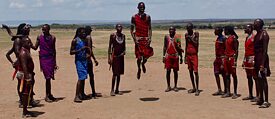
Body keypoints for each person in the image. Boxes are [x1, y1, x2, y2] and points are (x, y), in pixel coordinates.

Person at [3, 24, 39, 107]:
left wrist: (38, 40)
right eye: (26, 28)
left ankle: (30, 100)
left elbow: (34, 47)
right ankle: (22, 101)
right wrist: (14, 62)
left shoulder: (26, 39)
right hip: (22, 65)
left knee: (31, 82)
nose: (28, 30)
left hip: (27, 64)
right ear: (22, 30)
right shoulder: (18, 40)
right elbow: (17, 53)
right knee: (22, 83)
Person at [32, 24, 58, 102]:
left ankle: (49, 94)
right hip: (43, 59)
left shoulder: (53, 38)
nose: (43, 31)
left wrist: (55, 62)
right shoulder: (39, 37)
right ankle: (47, 95)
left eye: (45, 29)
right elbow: (35, 47)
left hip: (51, 59)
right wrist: (29, 44)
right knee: (47, 78)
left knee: (49, 78)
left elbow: (54, 50)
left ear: (48, 29)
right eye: (42, 29)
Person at [130, 2, 153, 80]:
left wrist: (150, 38)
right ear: (138, 8)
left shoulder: (148, 17)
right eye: (141, 7)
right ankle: (139, 69)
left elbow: (150, 28)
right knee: (139, 57)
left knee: (146, 56)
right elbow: (131, 30)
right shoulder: (134, 17)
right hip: (138, 40)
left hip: (146, 40)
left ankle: (143, 64)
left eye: (143, 7)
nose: (142, 9)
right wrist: (134, 39)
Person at [18, 26, 36, 117]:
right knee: (25, 93)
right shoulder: (23, 53)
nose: (29, 43)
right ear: (23, 43)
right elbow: (24, 66)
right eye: (28, 42)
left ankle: (26, 110)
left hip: (28, 74)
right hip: (26, 75)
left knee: (27, 93)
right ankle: (24, 112)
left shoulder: (26, 50)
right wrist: (28, 77)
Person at [70, 27, 91, 103]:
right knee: (80, 77)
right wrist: (80, 50)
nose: (84, 33)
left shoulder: (84, 40)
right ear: (78, 33)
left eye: (85, 32)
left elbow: (88, 49)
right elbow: (71, 52)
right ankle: (76, 96)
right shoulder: (75, 41)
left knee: (84, 77)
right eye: (82, 32)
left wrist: (88, 55)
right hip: (79, 61)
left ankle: (82, 94)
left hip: (84, 60)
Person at [253, 19, 271, 108]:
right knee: (258, 79)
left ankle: (266, 101)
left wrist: (262, 64)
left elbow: (265, 51)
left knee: (263, 79)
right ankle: (261, 98)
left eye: (255, 23)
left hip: (262, 60)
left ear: (260, 25)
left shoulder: (264, 35)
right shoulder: (257, 35)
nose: (253, 25)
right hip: (257, 59)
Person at [163, 27, 183, 92]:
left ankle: (175, 86)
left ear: (175, 30)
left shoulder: (177, 37)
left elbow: (180, 48)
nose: (171, 30)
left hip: (175, 56)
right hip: (168, 56)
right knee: (168, 71)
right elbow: (165, 47)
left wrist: (181, 57)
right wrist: (163, 56)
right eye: (170, 29)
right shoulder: (166, 37)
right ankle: (168, 86)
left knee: (175, 71)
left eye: (172, 29)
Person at [222, 26, 239, 99]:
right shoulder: (226, 38)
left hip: (232, 58)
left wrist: (235, 61)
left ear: (228, 30)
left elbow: (236, 50)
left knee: (234, 75)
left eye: (224, 30)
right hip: (226, 58)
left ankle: (235, 92)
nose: (224, 31)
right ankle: (228, 92)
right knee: (227, 75)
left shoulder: (233, 38)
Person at [108, 24, 126, 96]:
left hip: (121, 57)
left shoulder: (123, 36)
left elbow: (124, 46)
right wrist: (109, 58)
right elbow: (110, 47)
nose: (120, 28)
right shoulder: (113, 36)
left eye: (121, 27)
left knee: (119, 74)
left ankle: (117, 89)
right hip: (114, 56)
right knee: (115, 73)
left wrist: (124, 52)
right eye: (118, 27)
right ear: (115, 28)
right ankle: (112, 90)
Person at [242, 24, 258, 101]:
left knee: (255, 77)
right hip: (247, 59)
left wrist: (256, 60)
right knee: (249, 77)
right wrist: (244, 60)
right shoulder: (247, 38)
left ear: (251, 29)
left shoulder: (254, 37)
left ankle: (258, 95)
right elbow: (246, 50)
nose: (244, 29)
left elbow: (256, 49)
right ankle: (250, 95)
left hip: (253, 58)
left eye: (246, 28)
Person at [184, 23, 200, 96]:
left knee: (195, 72)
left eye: (189, 28)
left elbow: (196, 44)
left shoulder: (196, 34)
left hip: (194, 55)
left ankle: (197, 89)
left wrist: (190, 38)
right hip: (188, 55)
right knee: (190, 71)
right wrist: (185, 57)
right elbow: (186, 45)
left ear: (192, 28)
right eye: (187, 28)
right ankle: (193, 87)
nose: (187, 29)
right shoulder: (186, 35)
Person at [85, 26, 99, 98]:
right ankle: (93, 92)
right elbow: (90, 49)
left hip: (84, 58)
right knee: (91, 76)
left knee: (84, 76)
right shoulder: (88, 37)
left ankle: (82, 92)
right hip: (88, 59)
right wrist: (94, 59)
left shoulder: (84, 37)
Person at [212, 27, 227, 96]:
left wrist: (223, 61)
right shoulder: (218, 38)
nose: (214, 31)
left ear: (219, 31)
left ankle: (226, 90)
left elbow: (226, 49)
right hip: (217, 59)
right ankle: (219, 89)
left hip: (222, 59)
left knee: (224, 75)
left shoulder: (223, 38)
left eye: (215, 30)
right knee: (216, 73)